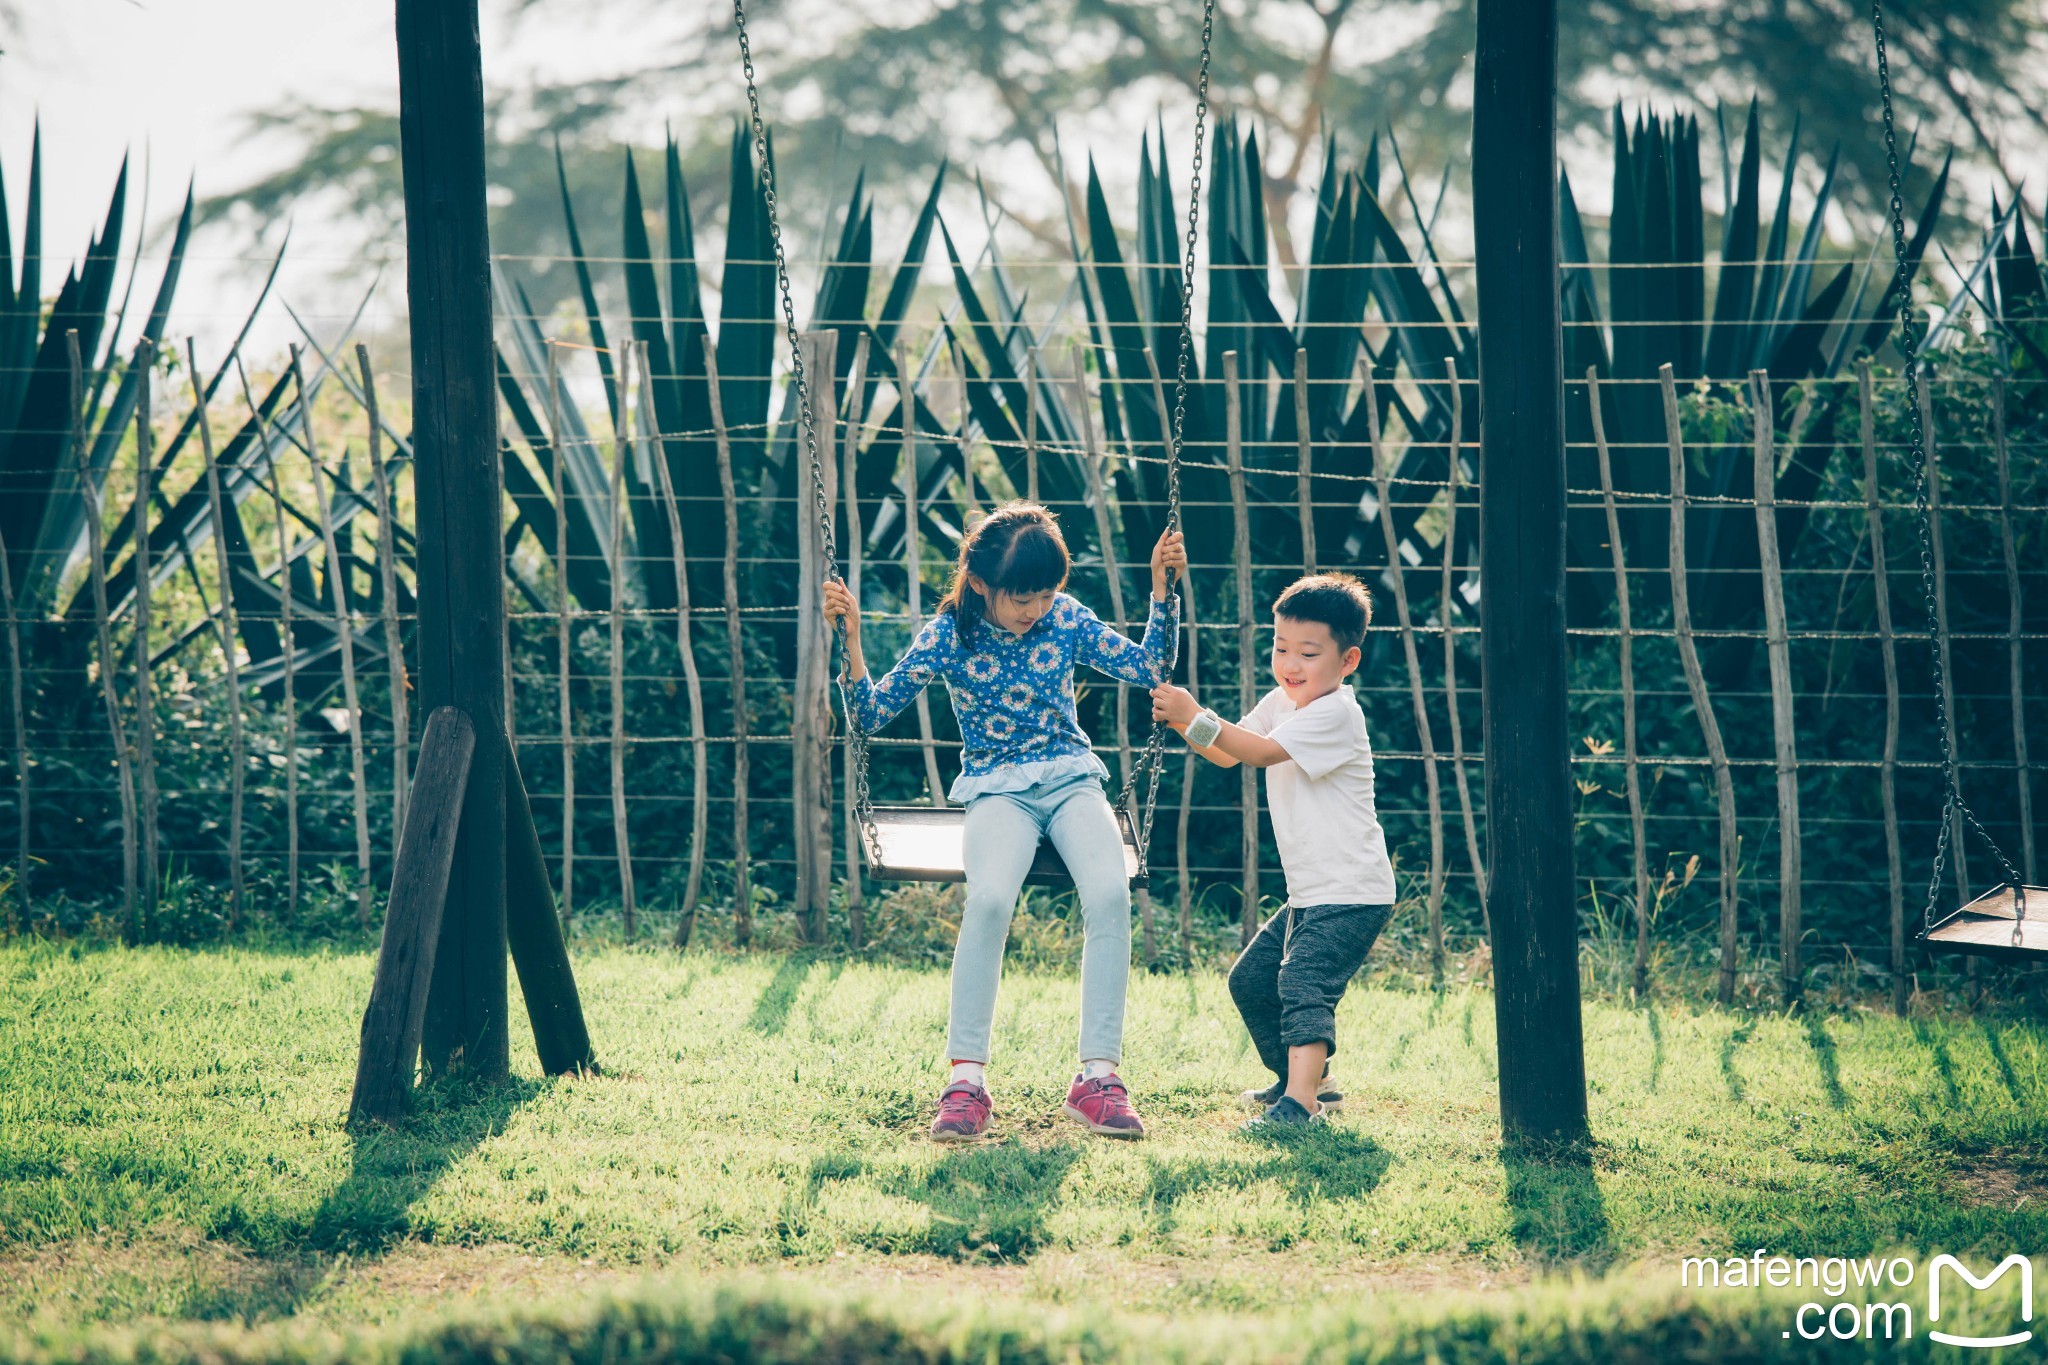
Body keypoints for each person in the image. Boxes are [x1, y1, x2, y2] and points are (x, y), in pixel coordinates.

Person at [823, 501, 1185, 1142]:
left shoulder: (1065, 619)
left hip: (1073, 779)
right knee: (989, 900)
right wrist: (850, 641)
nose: (1035, 610)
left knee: (1108, 894)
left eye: (1047, 595)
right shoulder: (949, 636)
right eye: (1022, 597)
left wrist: (1162, 594)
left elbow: (1148, 667)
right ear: (982, 582)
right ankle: (967, 1082)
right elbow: (871, 714)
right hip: (997, 789)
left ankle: (1097, 1079)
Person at [1150, 572, 1395, 1128]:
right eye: (1281, 647)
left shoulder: (1335, 713)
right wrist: (1184, 722)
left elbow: (1258, 753)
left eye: (1309, 653)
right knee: (1253, 981)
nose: (1291, 662)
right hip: (1312, 891)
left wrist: (1193, 714)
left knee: (1302, 984)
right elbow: (1228, 752)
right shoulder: (1282, 702)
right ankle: (1303, 1083)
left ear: (1347, 661)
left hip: (1352, 889)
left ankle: (1303, 1105)